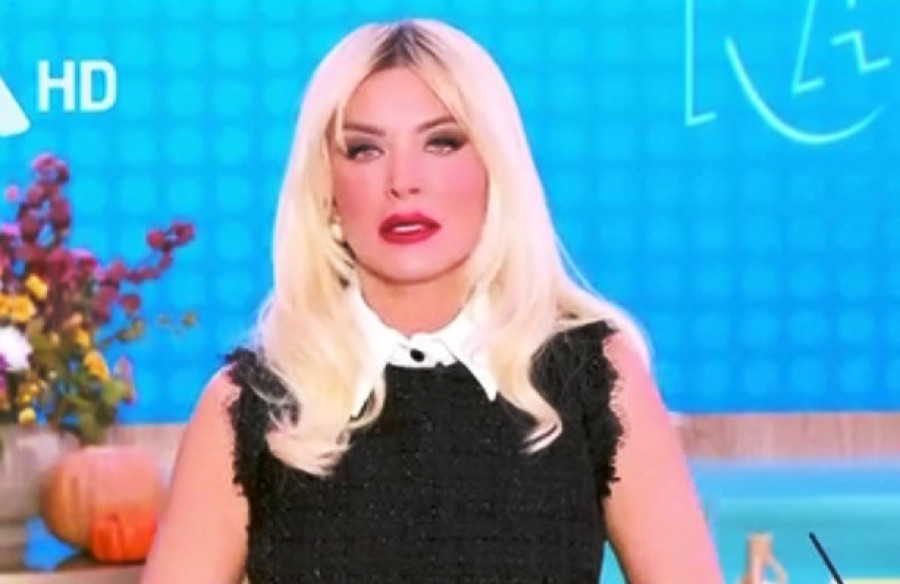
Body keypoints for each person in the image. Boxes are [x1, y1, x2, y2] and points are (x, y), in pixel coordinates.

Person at [142, 18, 723, 584]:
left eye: (441, 142)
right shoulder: (247, 407)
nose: (404, 181)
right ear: (326, 192)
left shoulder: (593, 376)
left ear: (495, 169)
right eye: (364, 150)